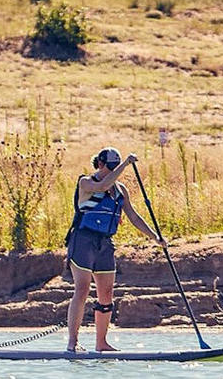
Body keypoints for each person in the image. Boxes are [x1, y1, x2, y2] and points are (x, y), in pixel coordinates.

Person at [65, 147, 166, 353]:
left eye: (115, 168)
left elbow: (134, 217)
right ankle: (72, 343)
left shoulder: (120, 190)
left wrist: (155, 237)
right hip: (83, 240)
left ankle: (101, 343)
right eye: (110, 167)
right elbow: (102, 185)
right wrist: (126, 164)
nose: (113, 172)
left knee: (107, 293)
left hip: (105, 243)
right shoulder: (86, 182)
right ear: (100, 164)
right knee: (82, 289)